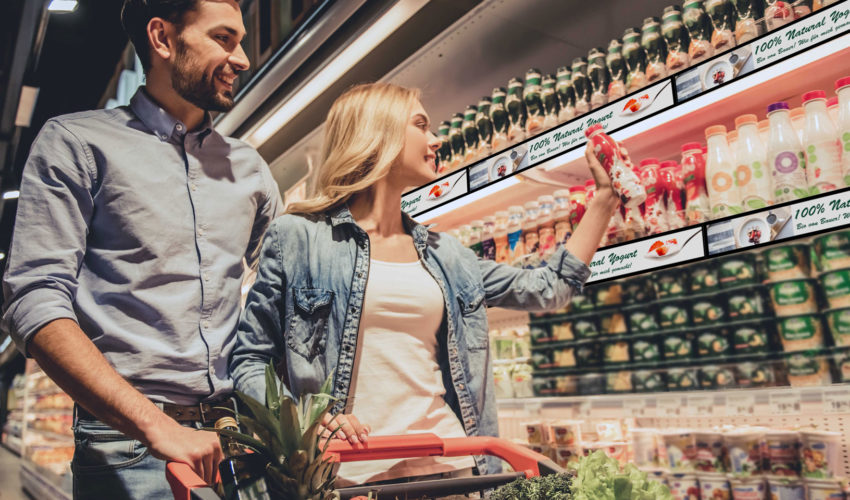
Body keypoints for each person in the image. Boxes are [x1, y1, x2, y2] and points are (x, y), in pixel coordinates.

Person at [230, 82, 618, 486]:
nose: (436, 139)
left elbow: (549, 286)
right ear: (379, 132)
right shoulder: (298, 239)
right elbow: (249, 361)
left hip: (449, 465)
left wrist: (604, 199)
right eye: (421, 125)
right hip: (345, 474)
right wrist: (304, 422)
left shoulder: (446, 254)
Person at [1, 1, 281, 498]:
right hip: (128, 445)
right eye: (224, 38)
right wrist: (155, 426)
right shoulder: (76, 143)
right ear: (162, 38)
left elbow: (287, 294)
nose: (242, 58)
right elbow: (34, 302)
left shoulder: (250, 168)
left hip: (241, 437)